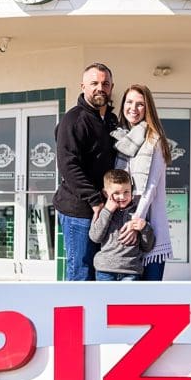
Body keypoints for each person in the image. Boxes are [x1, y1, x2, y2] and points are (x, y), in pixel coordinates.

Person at [53, 64, 120, 281]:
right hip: (79, 211)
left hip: (104, 210)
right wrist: (95, 201)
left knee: (99, 271)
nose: (100, 88)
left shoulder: (110, 120)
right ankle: (74, 314)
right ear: (83, 87)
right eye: (94, 83)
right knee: (80, 272)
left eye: (105, 83)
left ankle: (94, 315)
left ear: (111, 87)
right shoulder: (73, 120)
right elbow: (67, 165)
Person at [111, 84, 173, 281]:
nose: (133, 108)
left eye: (140, 104)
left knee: (149, 298)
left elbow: (151, 188)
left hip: (148, 227)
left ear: (148, 109)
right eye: (129, 102)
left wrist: (136, 223)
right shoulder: (120, 140)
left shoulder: (155, 141)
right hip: (124, 228)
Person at [89, 169, 155, 281]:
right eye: (116, 193)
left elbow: (147, 247)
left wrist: (144, 228)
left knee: (127, 299)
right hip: (105, 271)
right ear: (106, 193)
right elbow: (95, 237)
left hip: (131, 271)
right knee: (106, 299)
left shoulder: (138, 213)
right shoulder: (103, 212)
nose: (122, 197)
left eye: (126, 192)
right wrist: (107, 211)